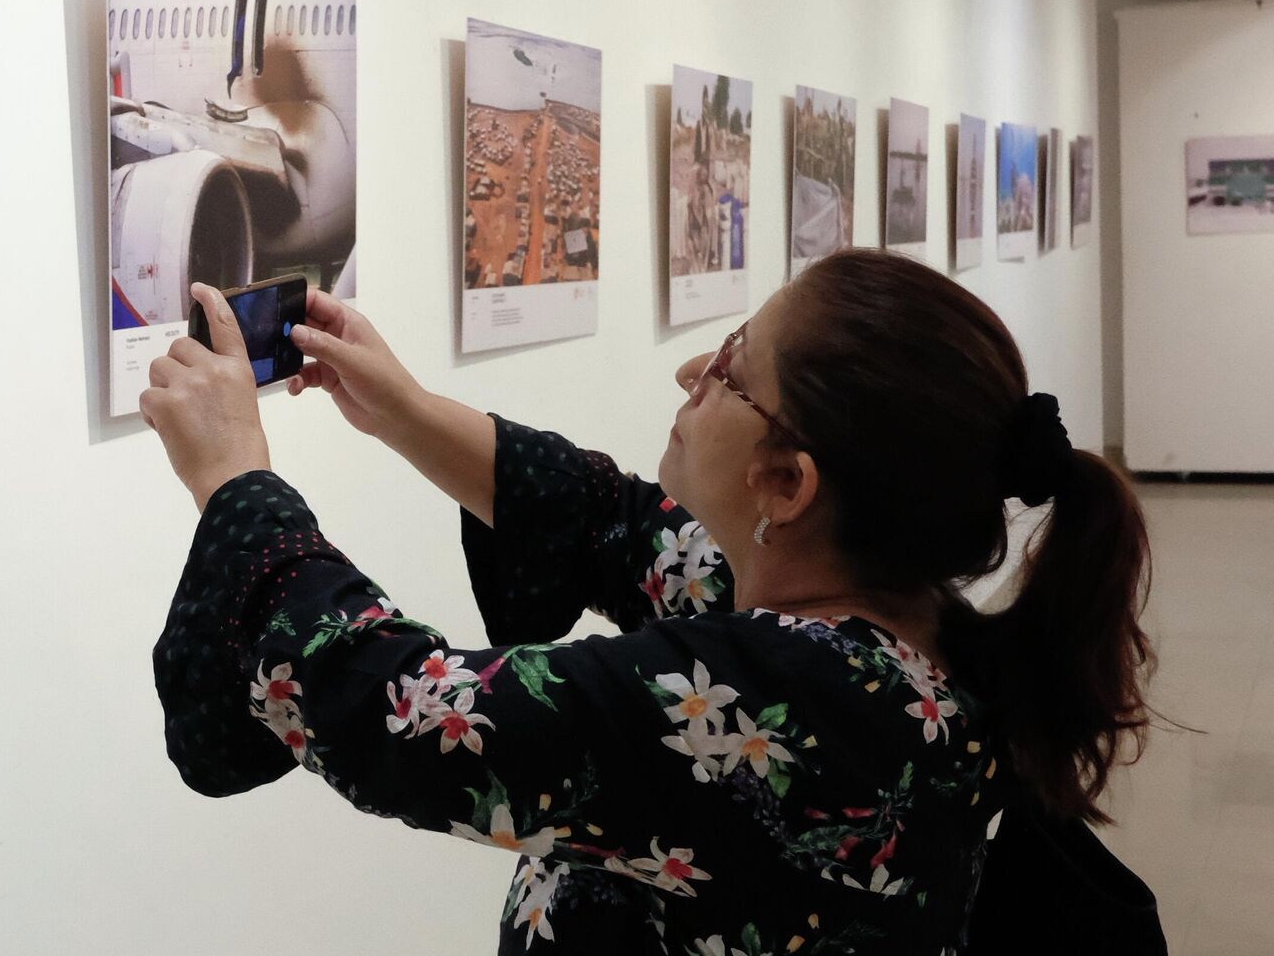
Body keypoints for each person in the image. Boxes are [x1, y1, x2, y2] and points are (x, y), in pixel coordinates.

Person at [141, 250, 1156, 954]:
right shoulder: (890, 635)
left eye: (731, 370)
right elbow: (611, 524)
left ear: (786, 484)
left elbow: (412, 716)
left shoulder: (781, 704)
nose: (689, 370)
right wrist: (403, 409)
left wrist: (234, 479)